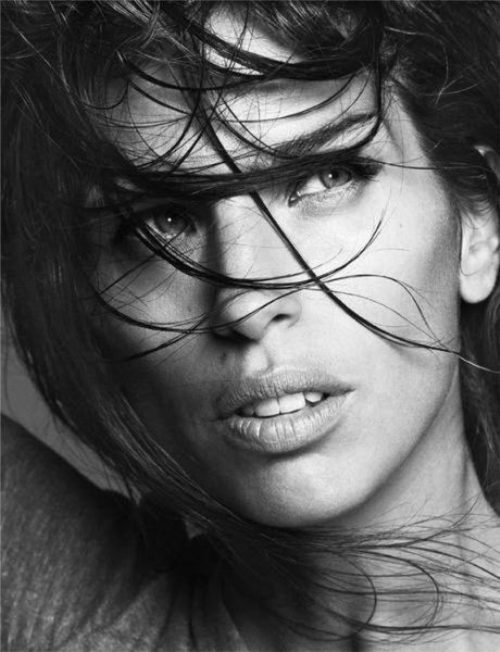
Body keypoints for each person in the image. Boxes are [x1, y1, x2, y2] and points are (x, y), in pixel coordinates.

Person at [2, 1, 500, 650]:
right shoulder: (67, 614)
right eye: (160, 221)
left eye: (325, 177)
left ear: (477, 221)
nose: (245, 302)